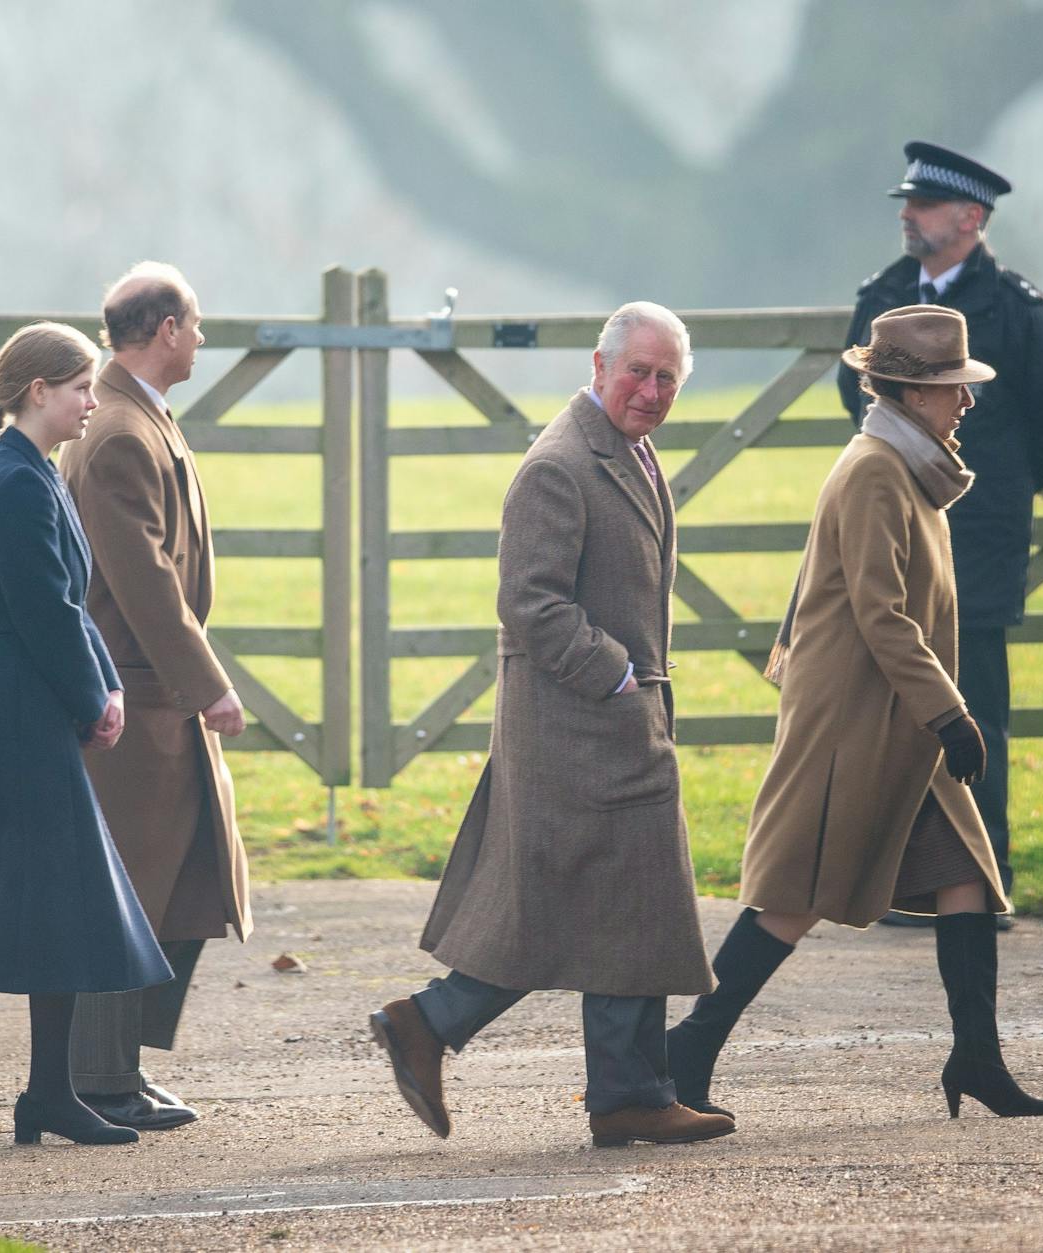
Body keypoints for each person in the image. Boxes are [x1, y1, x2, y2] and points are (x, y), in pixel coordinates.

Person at [667, 306, 1043, 1124]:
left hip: (900, 719)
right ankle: (688, 1046)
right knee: (799, 890)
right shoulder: (877, 470)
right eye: (954, 386)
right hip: (860, 717)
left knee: (965, 879)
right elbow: (883, 614)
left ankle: (979, 1059)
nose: (967, 401)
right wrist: (952, 714)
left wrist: (936, 716)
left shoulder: (908, 463)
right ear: (913, 393)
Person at [370, 302, 734, 1150]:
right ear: (599, 365)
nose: (651, 390)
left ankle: (628, 1092)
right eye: (638, 371)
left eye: (667, 377)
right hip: (577, 727)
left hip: (612, 725)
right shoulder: (561, 466)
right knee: (570, 908)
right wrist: (613, 672)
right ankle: (431, 1023)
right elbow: (529, 602)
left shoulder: (630, 452)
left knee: (627, 905)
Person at [0, 322, 174, 1147]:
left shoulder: (32, 470)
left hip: (24, 695)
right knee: (20, 896)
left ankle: (45, 1092)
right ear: (37, 391)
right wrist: (92, 697)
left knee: (55, 901)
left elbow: (68, 601)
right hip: (9, 705)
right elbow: (42, 609)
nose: (93, 402)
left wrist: (106, 683)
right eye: (82, 387)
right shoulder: (13, 480)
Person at [838, 141, 1043, 925]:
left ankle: (980, 883)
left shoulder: (1018, 309)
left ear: (970, 218)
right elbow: (857, 399)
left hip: (975, 546)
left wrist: (998, 491)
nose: (907, 216)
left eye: (923, 205)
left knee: (975, 709)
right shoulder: (882, 295)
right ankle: (895, 883)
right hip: (894, 536)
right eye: (907, 204)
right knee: (893, 705)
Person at [58, 262, 251, 1132]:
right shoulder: (122, 433)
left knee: (174, 889)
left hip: (152, 701)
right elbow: (146, 583)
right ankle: (98, 1076)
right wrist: (208, 684)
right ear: (166, 329)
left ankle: (121, 1065)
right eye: (196, 325)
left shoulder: (137, 415)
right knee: (129, 890)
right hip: (136, 705)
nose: (202, 339)